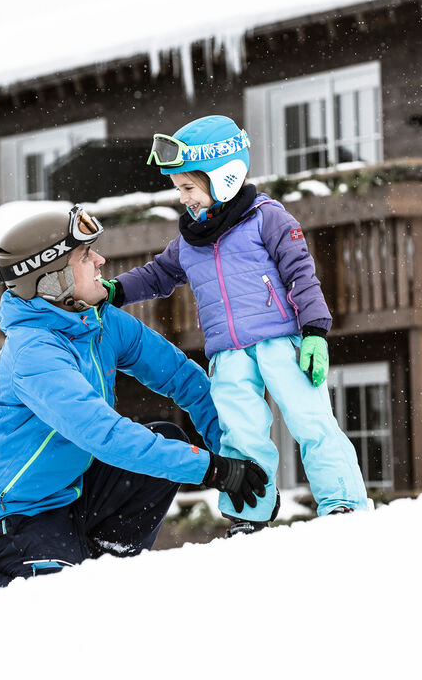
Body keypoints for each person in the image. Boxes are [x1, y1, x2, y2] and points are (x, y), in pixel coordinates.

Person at [0, 204, 267, 604]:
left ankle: (105, 570)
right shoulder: (34, 354)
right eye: (85, 255)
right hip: (9, 510)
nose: (100, 260)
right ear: (52, 279)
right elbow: (105, 435)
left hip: (71, 490)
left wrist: (235, 451)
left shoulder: (99, 322)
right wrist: (213, 470)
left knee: (166, 439)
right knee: (58, 606)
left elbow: (183, 379)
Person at [101, 115, 370, 537]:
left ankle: (343, 503)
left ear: (223, 176)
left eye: (188, 188)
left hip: (282, 341)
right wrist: (114, 291)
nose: (183, 198)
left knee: (309, 421)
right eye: (179, 190)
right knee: (240, 433)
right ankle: (250, 512)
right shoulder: (190, 241)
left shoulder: (267, 218)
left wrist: (315, 331)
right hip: (228, 353)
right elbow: (156, 276)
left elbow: (301, 272)